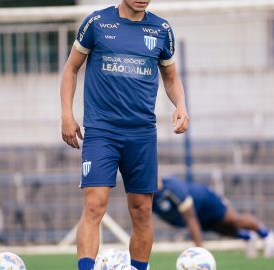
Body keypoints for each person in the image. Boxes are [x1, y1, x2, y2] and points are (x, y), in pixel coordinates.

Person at [60, 0, 189, 269]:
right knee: (95, 205)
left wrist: (181, 106)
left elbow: (171, 78)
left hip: (141, 134)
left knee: (142, 211)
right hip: (101, 132)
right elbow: (71, 69)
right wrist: (66, 114)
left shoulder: (161, 29)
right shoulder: (96, 23)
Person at [153, 175, 274, 258]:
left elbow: (191, 220)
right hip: (196, 215)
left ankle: (266, 234)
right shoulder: (145, 195)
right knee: (221, 229)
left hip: (206, 200)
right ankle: (248, 237)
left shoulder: (172, 188)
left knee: (232, 220)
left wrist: (199, 253)